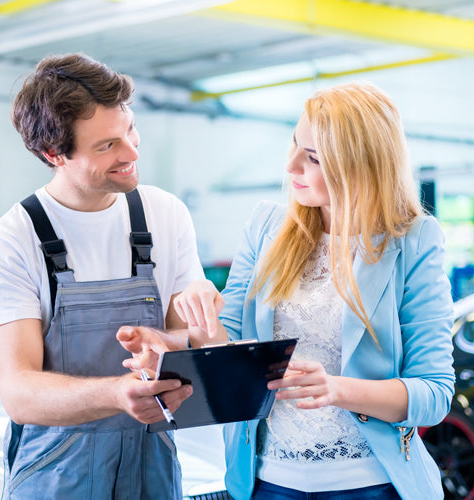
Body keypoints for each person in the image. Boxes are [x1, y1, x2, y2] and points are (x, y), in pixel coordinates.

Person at [149, 82, 455, 500]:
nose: (291, 166)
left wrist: (337, 389)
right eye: (294, 143)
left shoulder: (415, 240)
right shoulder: (265, 227)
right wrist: (201, 315)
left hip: (372, 486)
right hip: (266, 482)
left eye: (312, 157)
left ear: (360, 166)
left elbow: (433, 393)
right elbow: (229, 349)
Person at [0, 53, 203, 499]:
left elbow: (186, 339)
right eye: (106, 146)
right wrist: (118, 393)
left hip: (153, 464)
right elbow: (19, 393)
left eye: (130, 130)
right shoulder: (11, 241)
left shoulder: (166, 215)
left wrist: (184, 350)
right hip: (55, 471)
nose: (132, 153)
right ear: (53, 153)